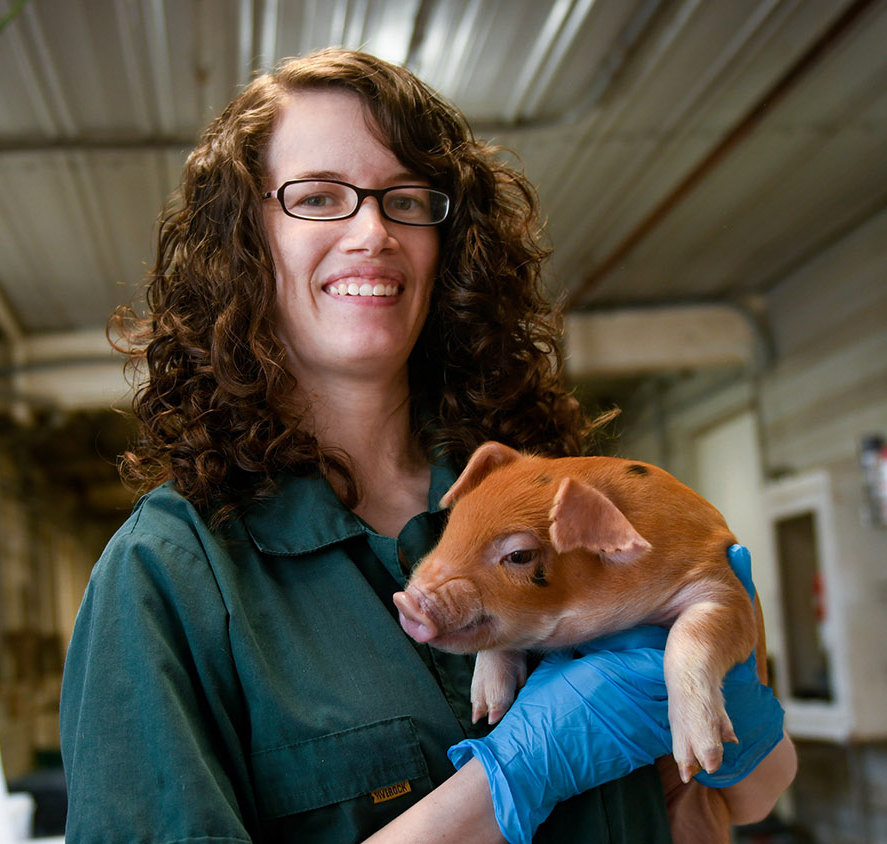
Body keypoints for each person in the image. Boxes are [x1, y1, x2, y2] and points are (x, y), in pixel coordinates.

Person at [59, 47, 795, 844]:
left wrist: (736, 711)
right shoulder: (170, 574)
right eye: (318, 197)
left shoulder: (546, 492)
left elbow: (743, 799)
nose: (372, 230)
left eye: (406, 199)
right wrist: (511, 780)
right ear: (244, 242)